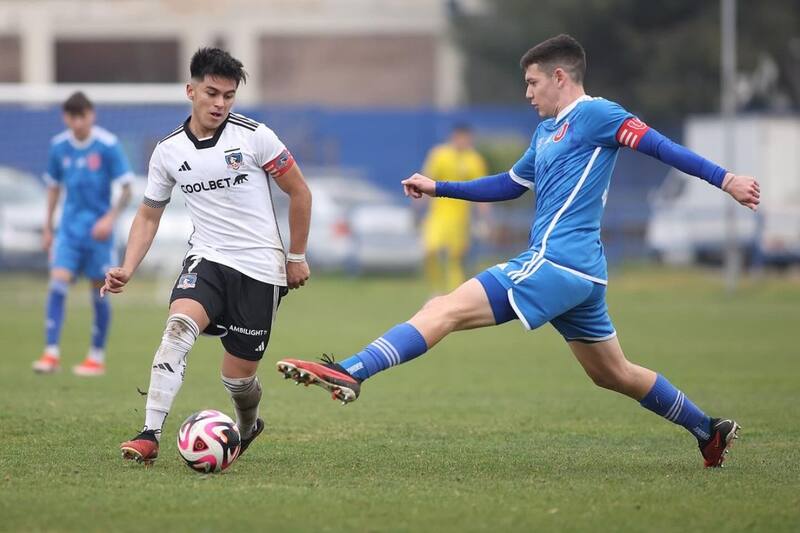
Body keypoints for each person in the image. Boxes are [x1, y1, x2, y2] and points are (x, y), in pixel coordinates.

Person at [276, 34, 761, 468]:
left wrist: (727, 180)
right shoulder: (546, 132)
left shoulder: (597, 114)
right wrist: (438, 186)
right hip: (581, 275)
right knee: (614, 374)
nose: (527, 94)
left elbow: (662, 147)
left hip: (557, 262)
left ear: (559, 77)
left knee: (442, 308)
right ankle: (708, 429)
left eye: (532, 83)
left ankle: (351, 371)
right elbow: (509, 185)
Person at [101, 47, 312, 465]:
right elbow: (147, 215)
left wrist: (297, 255)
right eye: (212, 93)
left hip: (260, 268)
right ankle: (149, 433)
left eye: (228, 96)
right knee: (177, 330)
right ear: (191, 90)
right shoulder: (167, 151)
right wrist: (127, 267)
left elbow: (299, 192)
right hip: (208, 259)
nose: (219, 103)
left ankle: (248, 425)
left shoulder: (255, 136)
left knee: (238, 379)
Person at [32, 91, 133, 377]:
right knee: (58, 283)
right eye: (72, 116)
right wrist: (49, 227)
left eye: (82, 116)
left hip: (99, 234)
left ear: (92, 114)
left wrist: (109, 219)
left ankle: (95, 357)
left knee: (98, 290)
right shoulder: (58, 147)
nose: (77, 122)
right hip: (69, 231)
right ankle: (50, 353)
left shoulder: (108, 145)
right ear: (66, 117)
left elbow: (127, 187)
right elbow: (53, 187)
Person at [419, 124, 488, 293]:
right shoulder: (440, 155)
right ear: (453, 137)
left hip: (460, 219)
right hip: (438, 215)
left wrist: (484, 219)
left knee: (455, 259)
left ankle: (453, 293)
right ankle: (434, 290)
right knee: (430, 250)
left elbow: (483, 191)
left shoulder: (474, 160)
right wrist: (417, 208)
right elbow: (426, 181)